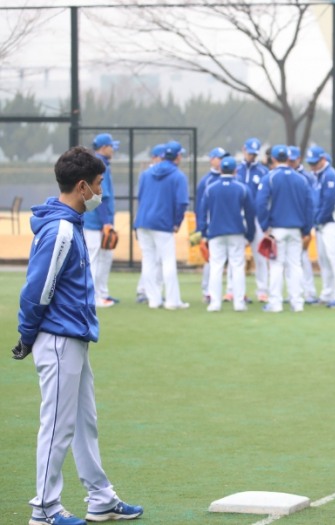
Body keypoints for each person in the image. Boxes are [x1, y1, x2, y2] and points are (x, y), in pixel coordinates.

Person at [13, 146, 143, 525]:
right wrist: (27, 334)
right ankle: (45, 509)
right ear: (83, 187)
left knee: (85, 422)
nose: (101, 192)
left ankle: (100, 498)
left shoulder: (70, 223)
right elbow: (38, 289)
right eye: (99, 184)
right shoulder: (62, 230)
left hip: (74, 336)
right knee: (57, 425)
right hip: (58, 338)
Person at [257, 145, 314, 313]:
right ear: (288, 158)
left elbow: (260, 204)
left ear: (273, 159)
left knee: (276, 265)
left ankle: (275, 303)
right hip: (296, 228)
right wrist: (306, 229)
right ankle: (297, 303)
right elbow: (310, 206)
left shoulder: (269, 177)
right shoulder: (301, 179)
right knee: (295, 265)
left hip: (276, 228)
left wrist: (264, 226)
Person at [134, 139, 190, 310]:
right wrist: (177, 222)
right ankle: (172, 301)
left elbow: (140, 198)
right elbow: (182, 203)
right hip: (163, 223)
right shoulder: (178, 176)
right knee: (168, 261)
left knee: (148, 261)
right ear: (177, 157)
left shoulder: (146, 174)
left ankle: (154, 300)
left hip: (143, 221)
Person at [197, 155, 255, 312]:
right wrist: (250, 234)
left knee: (216, 267)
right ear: (235, 170)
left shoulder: (211, 188)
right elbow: (250, 214)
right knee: (237, 267)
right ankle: (239, 303)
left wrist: (203, 231)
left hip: (215, 232)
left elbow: (202, 212)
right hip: (236, 232)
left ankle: (215, 303)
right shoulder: (242, 188)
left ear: (221, 169)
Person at [306, 145, 335, 309]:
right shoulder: (317, 176)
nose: (312, 166)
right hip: (323, 224)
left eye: (314, 162)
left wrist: (318, 220)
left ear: (323, 159)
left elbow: (329, 203)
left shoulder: (329, 175)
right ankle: (328, 294)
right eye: (310, 163)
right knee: (324, 260)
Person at [84, 133, 119, 308]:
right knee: (94, 259)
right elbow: (100, 196)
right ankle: (93, 298)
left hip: (97, 219)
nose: (113, 150)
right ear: (104, 147)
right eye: (112, 146)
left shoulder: (100, 163)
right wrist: (106, 222)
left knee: (104, 258)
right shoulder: (99, 165)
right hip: (95, 221)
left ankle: (102, 293)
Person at [236, 137, 270, 303]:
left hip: (257, 218)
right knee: (236, 255)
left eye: (254, 154)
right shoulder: (236, 170)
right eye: (250, 153)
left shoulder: (263, 172)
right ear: (244, 150)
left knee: (261, 255)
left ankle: (262, 290)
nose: (252, 156)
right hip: (238, 217)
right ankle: (235, 291)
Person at [196, 147, 228, 303]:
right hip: (212, 226)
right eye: (219, 158)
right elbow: (200, 207)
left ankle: (231, 292)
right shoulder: (206, 180)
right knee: (211, 260)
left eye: (223, 158)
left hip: (228, 225)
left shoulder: (230, 177)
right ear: (212, 159)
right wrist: (201, 228)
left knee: (232, 260)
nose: (222, 161)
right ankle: (207, 291)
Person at [289, 145, 320, 304]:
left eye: (293, 160)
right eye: (288, 160)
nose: (290, 162)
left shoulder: (306, 177)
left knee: (303, 258)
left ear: (299, 159)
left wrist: (308, 226)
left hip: (302, 223)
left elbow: (311, 203)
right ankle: (295, 292)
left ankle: (309, 292)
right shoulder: (286, 175)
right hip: (291, 223)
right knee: (291, 260)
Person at [136, 144, 165, 304]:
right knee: (152, 259)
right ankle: (146, 291)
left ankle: (149, 291)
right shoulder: (150, 174)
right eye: (161, 157)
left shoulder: (145, 175)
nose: (164, 160)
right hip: (154, 223)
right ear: (154, 158)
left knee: (153, 259)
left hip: (146, 221)